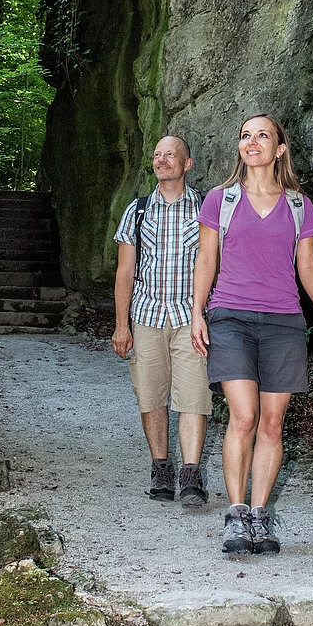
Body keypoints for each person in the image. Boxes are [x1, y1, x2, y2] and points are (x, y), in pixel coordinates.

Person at [192, 114, 313, 555]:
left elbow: (307, 265)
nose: (251, 141)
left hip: (284, 322)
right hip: (230, 317)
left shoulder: (298, 204)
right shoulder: (221, 199)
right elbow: (206, 258)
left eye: (262, 135)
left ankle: (260, 516)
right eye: (244, 135)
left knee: (273, 424)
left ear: (279, 149)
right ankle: (235, 516)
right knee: (244, 416)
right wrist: (197, 312)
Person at [112, 134, 211, 510]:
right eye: (157, 155)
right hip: (147, 316)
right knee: (151, 395)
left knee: (193, 396)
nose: (162, 160)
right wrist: (122, 325)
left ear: (187, 164)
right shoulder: (136, 211)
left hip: (191, 316)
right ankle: (161, 468)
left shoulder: (206, 209)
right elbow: (124, 272)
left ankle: (190, 474)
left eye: (171, 155)